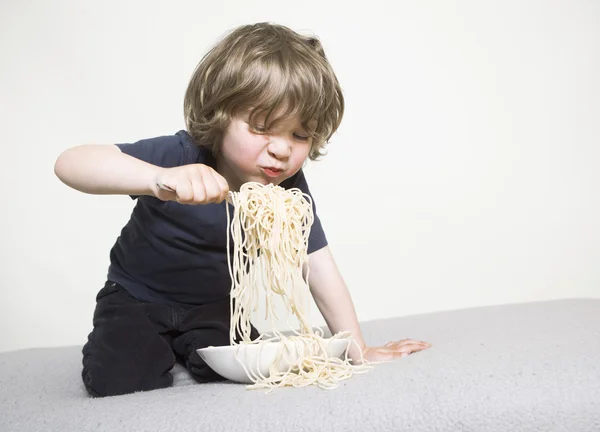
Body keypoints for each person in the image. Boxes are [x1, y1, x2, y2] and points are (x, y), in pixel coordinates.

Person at [54, 22, 431, 397]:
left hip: (215, 307)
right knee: (119, 380)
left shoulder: (287, 190)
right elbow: (72, 163)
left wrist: (358, 349)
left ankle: (185, 348)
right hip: (136, 296)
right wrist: (158, 179)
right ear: (220, 115)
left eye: (300, 135)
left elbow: (317, 265)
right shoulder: (182, 156)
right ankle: (151, 345)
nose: (282, 150)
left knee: (251, 369)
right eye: (263, 127)